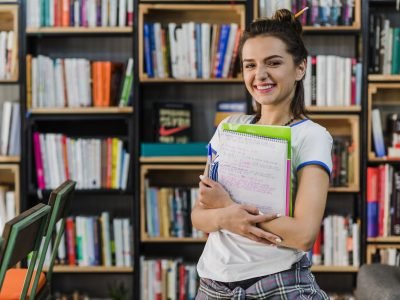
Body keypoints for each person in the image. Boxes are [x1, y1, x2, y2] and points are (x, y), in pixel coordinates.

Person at [191, 8, 333, 300]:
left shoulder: (311, 136)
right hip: (212, 287)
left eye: (274, 63)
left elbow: (303, 234)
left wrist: (229, 208)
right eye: (250, 65)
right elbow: (199, 216)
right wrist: (225, 216)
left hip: (277, 286)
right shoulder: (229, 128)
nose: (260, 75)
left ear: (300, 68)